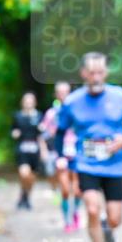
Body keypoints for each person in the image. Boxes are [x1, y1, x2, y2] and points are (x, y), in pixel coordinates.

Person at [57, 52, 122, 242]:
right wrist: (61, 157)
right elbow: (60, 131)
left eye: (100, 72)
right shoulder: (72, 101)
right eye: (91, 73)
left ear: (106, 73)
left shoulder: (121, 97)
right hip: (86, 163)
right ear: (83, 74)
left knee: (115, 218)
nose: (96, 77)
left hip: (115, 165)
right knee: (92, 209)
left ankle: (107, 228)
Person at [41, 81, 82, 232]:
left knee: (77, 189)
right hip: (60, 154)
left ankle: (75, 212)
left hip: (77, 153)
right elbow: (44, 134)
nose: (63, 95)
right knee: (65, 189)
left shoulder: (79, 111)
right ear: (56, 94)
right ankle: (67, 220)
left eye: (66, 92)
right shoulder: (52, 114)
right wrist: (45, 150)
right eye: (60, 92)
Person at [11, 92, 46, 210]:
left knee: (32, 177)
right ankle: (23, 194)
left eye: (30, 101)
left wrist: (43, 150)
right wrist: (15, 133)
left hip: (35, 150)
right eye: (26, 101)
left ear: (34, 103)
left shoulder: (39, 116)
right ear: (22, 103)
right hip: (22, 149)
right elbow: (13, 130)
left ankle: (26, 197)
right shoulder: (18, 116)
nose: (28, 103)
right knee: (24, 174)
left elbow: (41, 136)